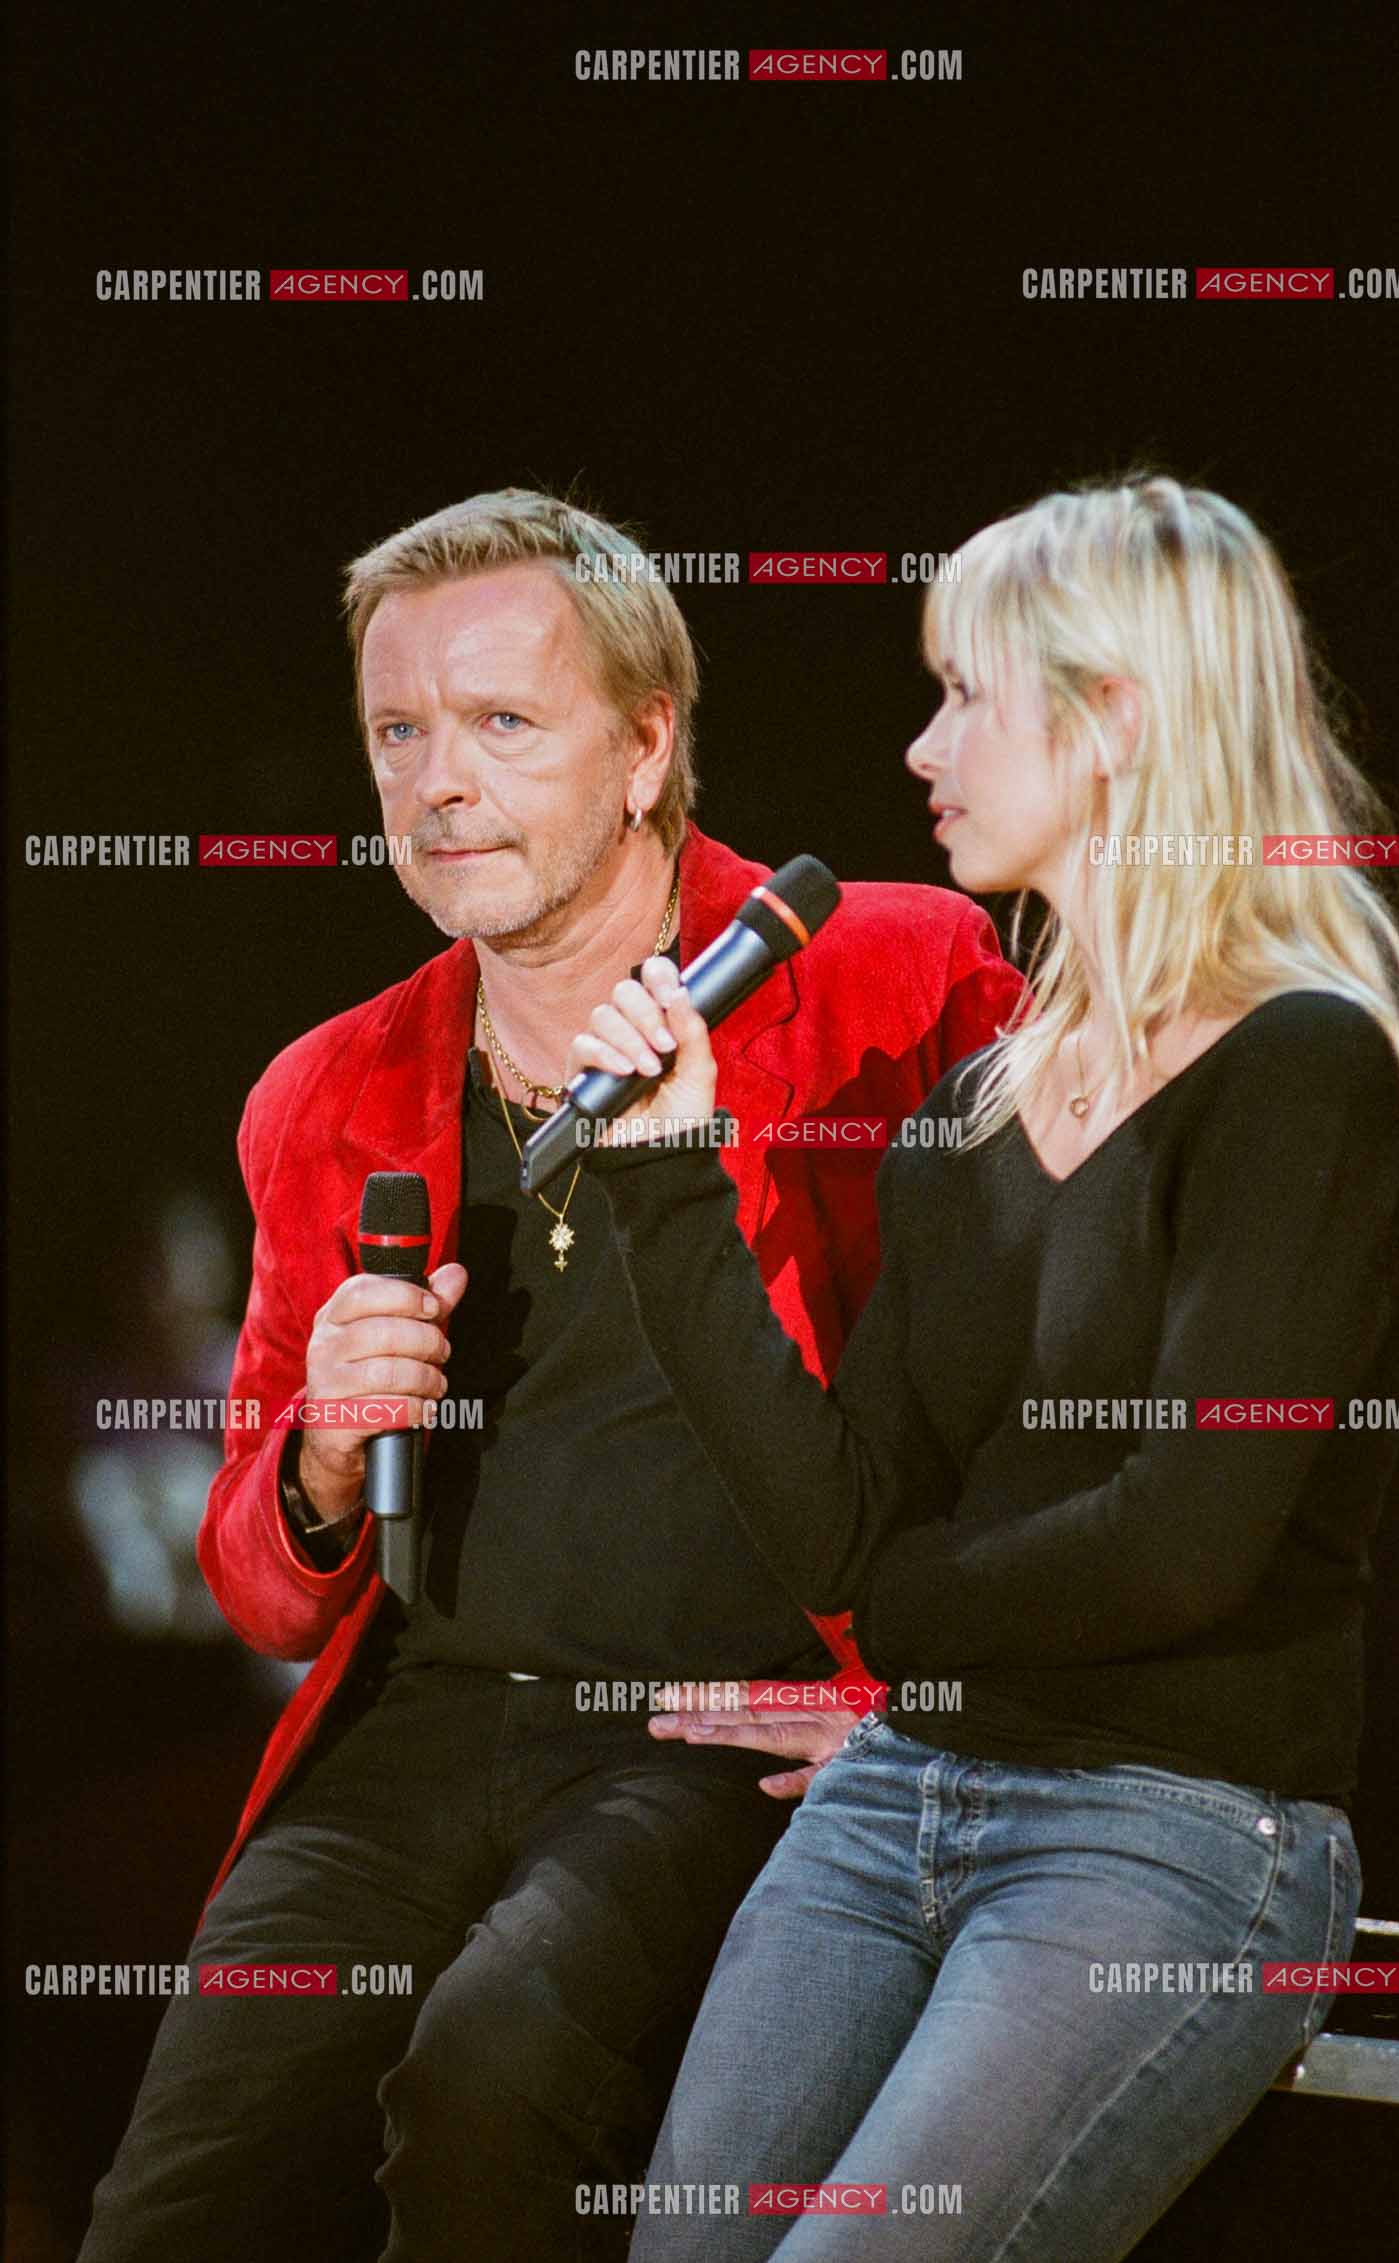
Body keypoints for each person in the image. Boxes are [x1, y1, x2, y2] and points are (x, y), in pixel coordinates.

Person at [79, 488, 1025, 2262]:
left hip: (707, 1727)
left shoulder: (891, 979)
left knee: (486, 2088)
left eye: (503, 723)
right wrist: (317, 1463)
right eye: (399, 732)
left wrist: (933, 1709)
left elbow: (1054, 1391)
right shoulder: (329, 1087)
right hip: (420, 1726)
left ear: (647, 743)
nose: (440, 781)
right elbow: (258, 1583)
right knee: (174, 2200)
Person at [566, 474, 1399, 2262]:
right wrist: (671, 1180)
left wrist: (899, 1616)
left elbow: (1181, 1538)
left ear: (1117, 717)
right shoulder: (970, 1112)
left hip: (1173, 1834)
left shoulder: (1305, 1070)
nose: (921, 747)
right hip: (905, 1788)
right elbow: (842, 1523)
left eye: (966, 692)